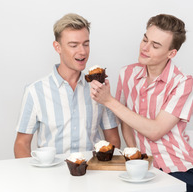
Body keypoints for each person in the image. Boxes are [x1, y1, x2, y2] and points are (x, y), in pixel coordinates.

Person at [90, 14, 193, 191]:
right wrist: (134, 156)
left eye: (155, 45)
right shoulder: (127, 74)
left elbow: (155, 131)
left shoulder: (183, 82)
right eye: (145, 39)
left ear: (171, 53)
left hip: (179, 168)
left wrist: (108, 101)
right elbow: (126, 121)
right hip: (142, 168)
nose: (145, 48)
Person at [14, 13, 120, 158]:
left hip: (93, 173)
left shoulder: (99, 89)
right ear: (57, 47)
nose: (82, 51)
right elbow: (22, 144)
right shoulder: (35, 91)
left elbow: (113, 138)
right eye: (73, 45)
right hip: (51, 176)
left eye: (86, 44)